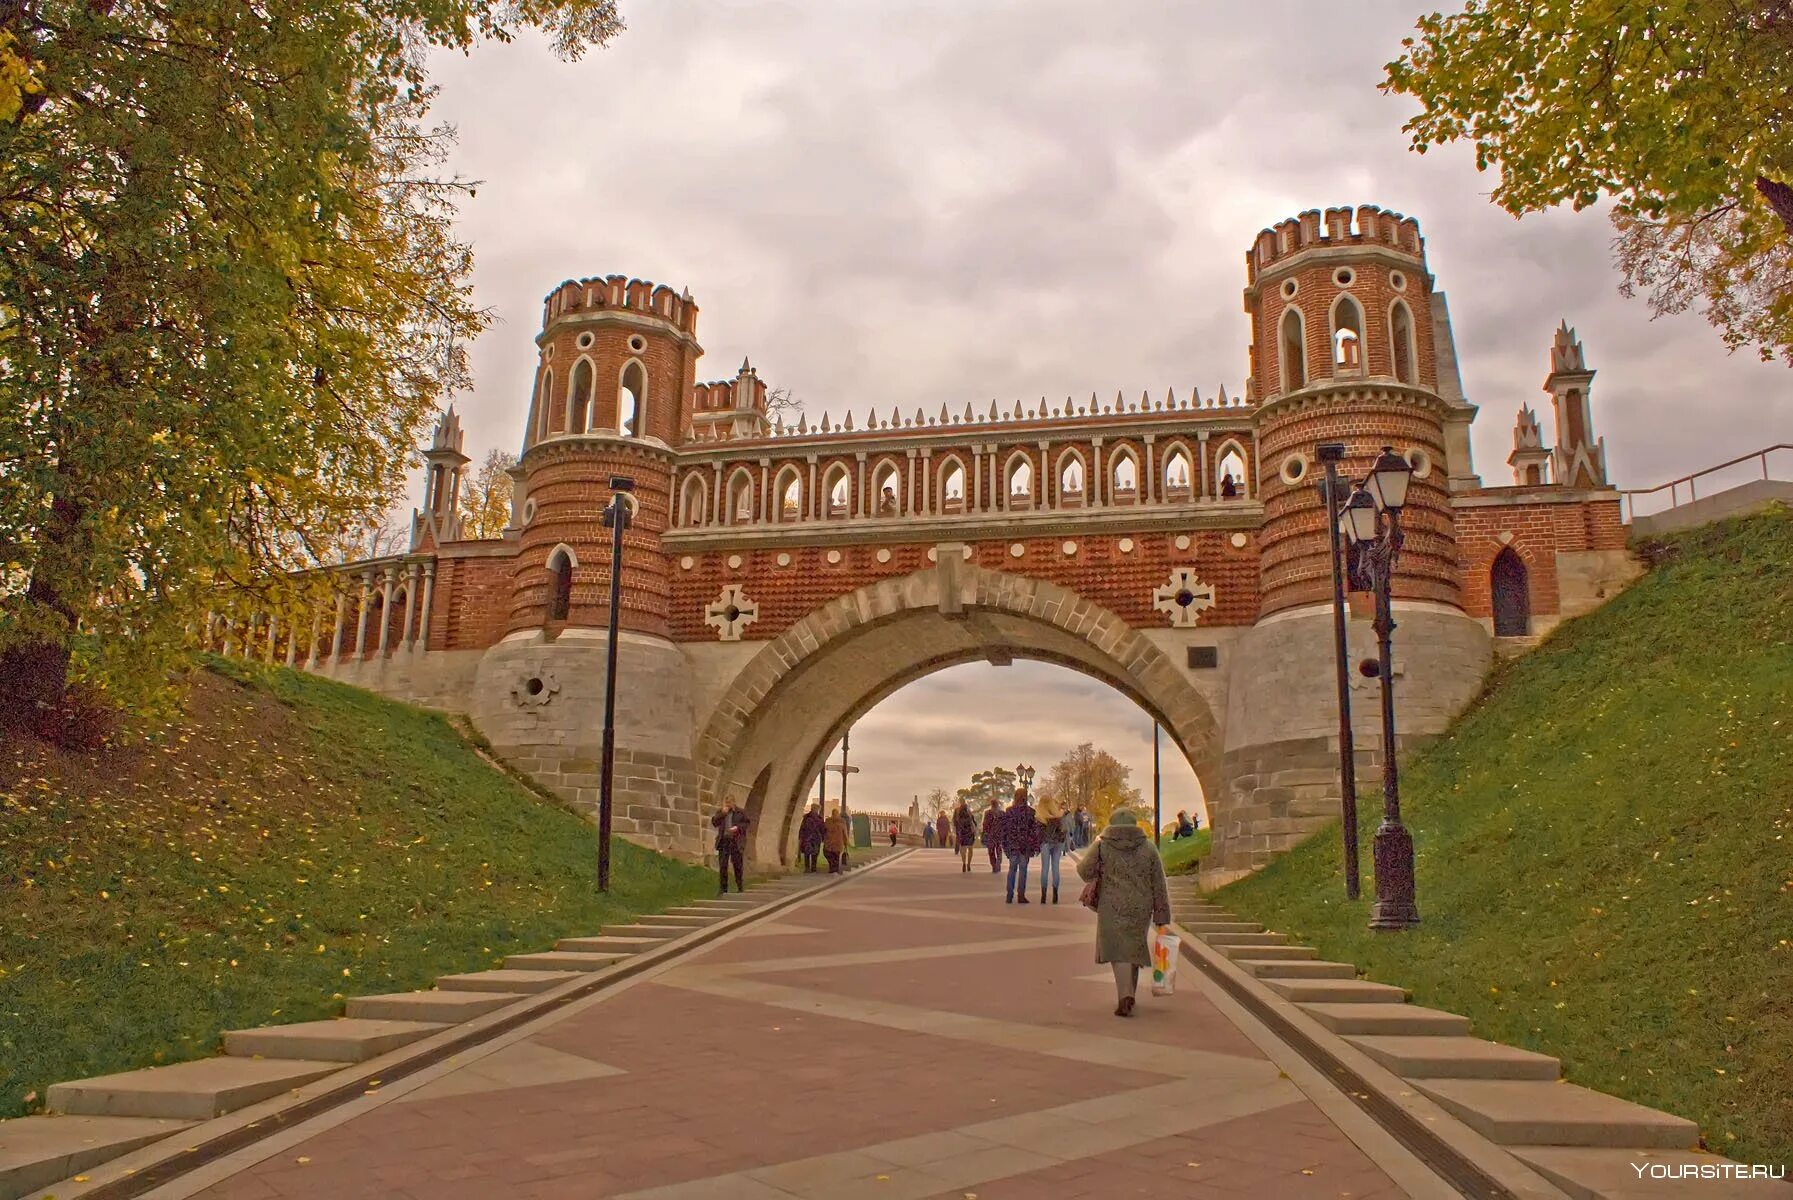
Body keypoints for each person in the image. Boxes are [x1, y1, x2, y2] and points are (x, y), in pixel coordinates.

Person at [1076, 809, 1171, 1017]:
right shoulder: (1149, 848)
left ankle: (1125, 995)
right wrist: (1162, 914)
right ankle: (1130, 994)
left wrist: (1096, 844)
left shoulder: (1102, 846)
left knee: (1118, 950)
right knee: (1133, 948)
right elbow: (1158, 883)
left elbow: (1084, 872)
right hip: (1140, 906)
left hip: (1111, 905)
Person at [1001, 785, 1042, 904]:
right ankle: (1021, 895)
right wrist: (1035, 846)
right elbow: (1034, 831)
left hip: (1013, 845)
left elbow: (1005, 830)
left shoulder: (1009, 811)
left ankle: (1009, 895)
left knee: (1012, 869)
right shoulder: (1030, 812)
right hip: (1025, 846)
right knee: (1023, 870)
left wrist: (1005, 845)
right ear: (1025, 797)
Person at [710, 796, 752, 895]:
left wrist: (737, 827)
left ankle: (740, 886)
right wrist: (722, 814)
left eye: (729, 803)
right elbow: (714, 822)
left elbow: (746, 823)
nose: (728, 805)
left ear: (733, 802)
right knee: (723, 865)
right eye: (726, 803)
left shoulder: (740, 812)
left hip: (736, 841)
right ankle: (723, 888)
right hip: (724, 840)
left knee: (737, 864)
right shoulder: (721, 812)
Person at [1036, 793, 1068, 904]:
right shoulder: (1058, 816)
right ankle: (1055, 894)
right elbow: (1064, 830)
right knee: (1055, 867)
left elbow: (1037, 833)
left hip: (1045, 843)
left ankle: (1043, 896)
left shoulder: (1039, 817)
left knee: (1044, 868)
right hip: (1057, 843)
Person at [797, 803, 825, 873]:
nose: (817, 810)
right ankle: (812, 868)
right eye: (817, 809)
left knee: (810, 853)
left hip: (809, 838)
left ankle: (809, 868)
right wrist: (823, 837)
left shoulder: (807, 817)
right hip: (813, 838)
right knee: (812, 853)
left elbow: (802, 827)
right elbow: (822, 829)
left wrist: (801, 836)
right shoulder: (819, 818)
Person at [953, 798, 978, 873]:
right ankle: (969, 864)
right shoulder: (969, 812)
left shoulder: (957, 811)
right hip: (970, 832)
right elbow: (974, 822)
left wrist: (957, 830)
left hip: (962, 832)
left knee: (963, 848)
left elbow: (955, 821)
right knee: (970, 849)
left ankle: (964, 863)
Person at [981, 800, 1004, 873]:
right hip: (999, 835)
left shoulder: (987, 813)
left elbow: (985, 824)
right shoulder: (1002, 813)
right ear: (997, 804)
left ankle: (994, 865)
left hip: (990, 835)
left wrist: (984, 833)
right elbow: (1005, 824)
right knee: (999, 850)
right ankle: (998, 863)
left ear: (991, 804)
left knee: (991, 851)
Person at [822, 807, 849, 873]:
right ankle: (834, 869)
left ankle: (832, 869)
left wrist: (824, 839)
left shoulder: (829, 821)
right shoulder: (841, 822)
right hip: (836, 843)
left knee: (831, 856)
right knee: (835, 857)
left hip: (831, 843)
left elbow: (823, 831)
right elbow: (845, 834)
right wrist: (846, 843)